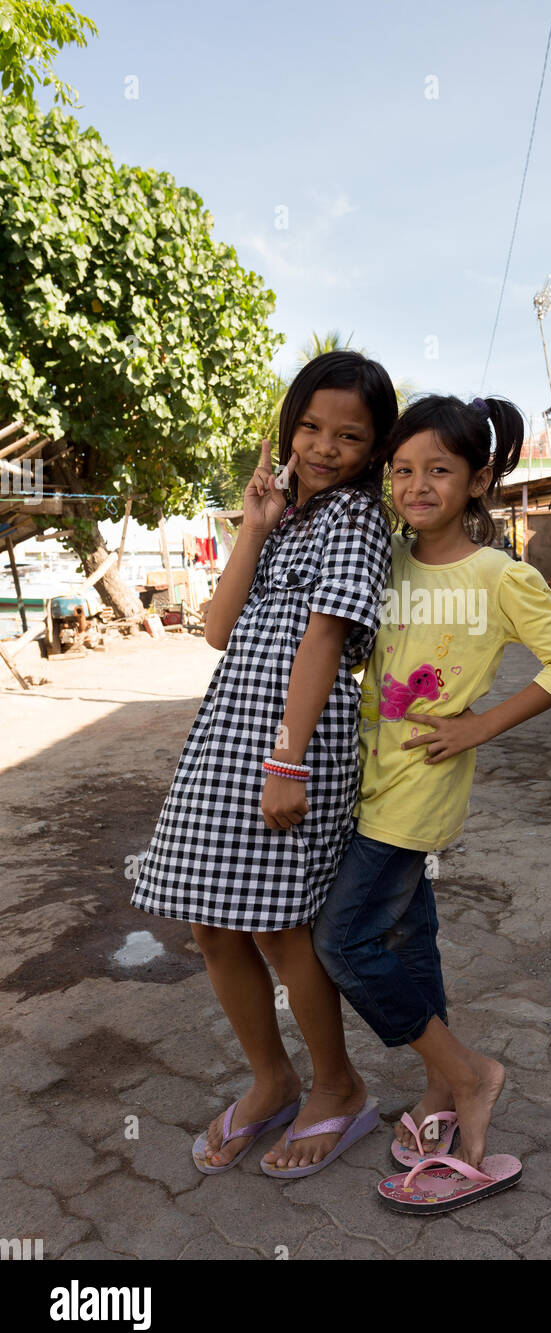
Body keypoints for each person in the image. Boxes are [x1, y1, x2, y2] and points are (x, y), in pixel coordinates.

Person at [305, 394, 551, 1205]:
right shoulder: (384, 557)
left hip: (419, 792)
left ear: (478, 481)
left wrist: (480, 727)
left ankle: (468, 1074)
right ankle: (440, 1088)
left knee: (345, 942)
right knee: (407, 934)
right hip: (360, 779)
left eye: (439, 470)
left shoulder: (502, 575)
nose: (417, 485)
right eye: (402, 470)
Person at [130, 350, 397, 1174]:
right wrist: (253, 523)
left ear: (375, 447)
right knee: (213, 923)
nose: (323, 446)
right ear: (289, 427)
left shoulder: (356, 519)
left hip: (292, 744)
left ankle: (339, 1088)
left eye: (349, 436)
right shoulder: (283, 517)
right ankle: (271, 1079)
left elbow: (323, 638)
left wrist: (287, 762)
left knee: (282, 931)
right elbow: (216, 628)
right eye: (310, 427)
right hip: (226, 737)